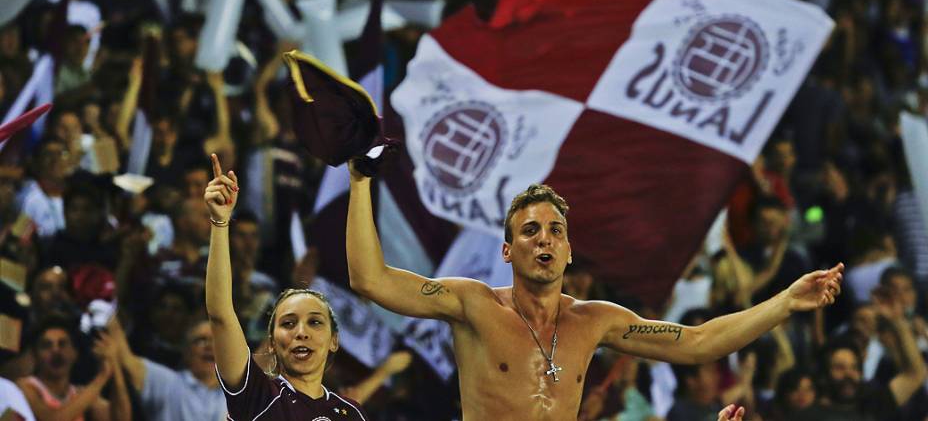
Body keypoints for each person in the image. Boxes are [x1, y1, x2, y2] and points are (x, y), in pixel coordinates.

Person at [346, 171, 844, 420]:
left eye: (555, 230)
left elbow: (698, 343)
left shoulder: (597, 320)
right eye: (530, 230)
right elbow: (370, 279)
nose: (544, 238)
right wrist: (361, 177)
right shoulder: (473, 303)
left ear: (568, 251)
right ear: (506, 251)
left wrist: (785, 302)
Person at [204, 154, 368, 420]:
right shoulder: (257, 395)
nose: (301, 332)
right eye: (288, 323)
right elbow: (221, 315)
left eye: (315, 322)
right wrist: (220, 222)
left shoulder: (351, 413)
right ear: (270, 343)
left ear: (334, 340)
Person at [16, 316, 132, 421]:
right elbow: (53, 419)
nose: (56, 351)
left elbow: (122, 419)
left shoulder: (81, 394)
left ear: (75, 353)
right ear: (36, 355)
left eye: (62, 344)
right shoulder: (24, 387)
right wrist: (102, 377)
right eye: (47, 345)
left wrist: (114, 364)